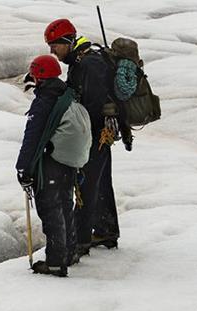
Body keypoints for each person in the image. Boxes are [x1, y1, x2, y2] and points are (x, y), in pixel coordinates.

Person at [46, 18, 121, 253]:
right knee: (100, 181)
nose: (53, 52)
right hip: (99, 133)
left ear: (68, 41)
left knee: (86, 185)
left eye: (55, 46)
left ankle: (81, 241)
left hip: (95, 134)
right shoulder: (83, 61)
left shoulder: (88, 64)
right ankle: (106, 231)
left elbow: (92, 103)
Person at [16, 54, 90, 277]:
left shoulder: (44, 102)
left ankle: (56, 262)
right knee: (66, 206)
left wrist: (23, 169)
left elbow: (33, 138)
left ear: (39, 76)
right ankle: (69, 253)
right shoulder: (66, 94)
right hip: (69, 164)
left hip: (51, 163)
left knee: (51, 211)